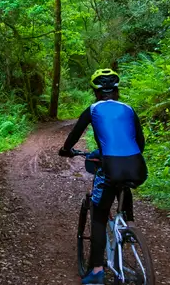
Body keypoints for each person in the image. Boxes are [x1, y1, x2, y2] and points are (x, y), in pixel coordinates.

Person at [58, 68, 148, 285]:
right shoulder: (129, 108)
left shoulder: (93, 109)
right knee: (123, 186)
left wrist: (66, 149)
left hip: (110, 168)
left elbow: (74, 135)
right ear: (116, 91)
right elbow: (140, 142)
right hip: (136, 167)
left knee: (98, 218)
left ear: (96, 92)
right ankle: (130, 225)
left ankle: (97, 271)